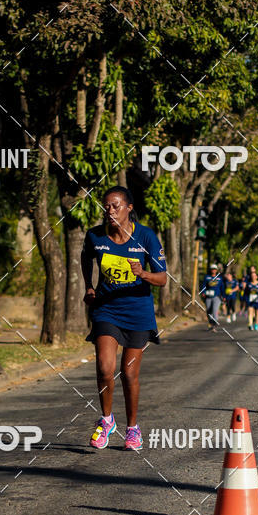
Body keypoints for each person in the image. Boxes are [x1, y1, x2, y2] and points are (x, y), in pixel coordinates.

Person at [81, 187, 167, 451]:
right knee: (105, 368)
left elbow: (163, 279)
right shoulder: (95, 236)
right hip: (107, 309)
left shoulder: (145, 236)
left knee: (128, 373)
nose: (110, 211)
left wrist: (143, 274)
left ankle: (133, 429)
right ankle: (107, 421)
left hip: (138, 312)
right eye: (107, 206)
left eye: (116, 206)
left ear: (129, 208)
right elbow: (86, 257)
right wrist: (89, 286)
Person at [201, 263, 225, 330]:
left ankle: (214, 323)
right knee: (209, 311)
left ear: (216, 270)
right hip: (208, 296)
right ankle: (211, 322)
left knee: (215, 309)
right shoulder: (207, 277)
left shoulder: (219, 278)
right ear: (210, 270)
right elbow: (203, 285)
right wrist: (203, 292)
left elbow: (222, 287)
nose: (213, 270)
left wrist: (224, 296)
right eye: (212, 269)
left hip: (217, 296)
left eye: (215, 269)